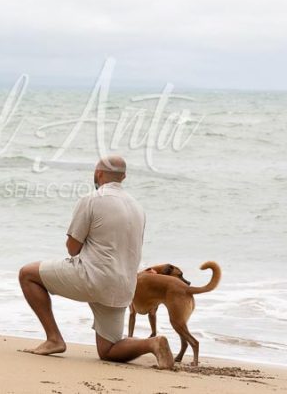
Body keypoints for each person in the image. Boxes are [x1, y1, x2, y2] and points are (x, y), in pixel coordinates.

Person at [18, 155, 174, 368]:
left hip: (93, 278)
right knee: (108, 350)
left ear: (98, 173)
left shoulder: (92, 199)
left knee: (27, 274)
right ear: (124, 177)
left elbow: (73, 249)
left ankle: (54, 338)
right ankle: (152, 344)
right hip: (123, 286)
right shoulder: (138, 207)